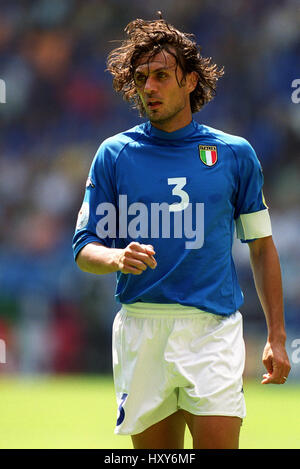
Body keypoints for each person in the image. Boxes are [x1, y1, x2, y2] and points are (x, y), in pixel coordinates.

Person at [72, 15, 291, 449]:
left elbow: (262, 248)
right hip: (141, 330)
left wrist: (277, 337)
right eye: (140, 78)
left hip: (211, 330)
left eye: (160, 76)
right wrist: (116, 257)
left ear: (190, 81)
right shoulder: (114, 154)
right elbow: (83, 247)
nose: (148, 88)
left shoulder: (234, 154)